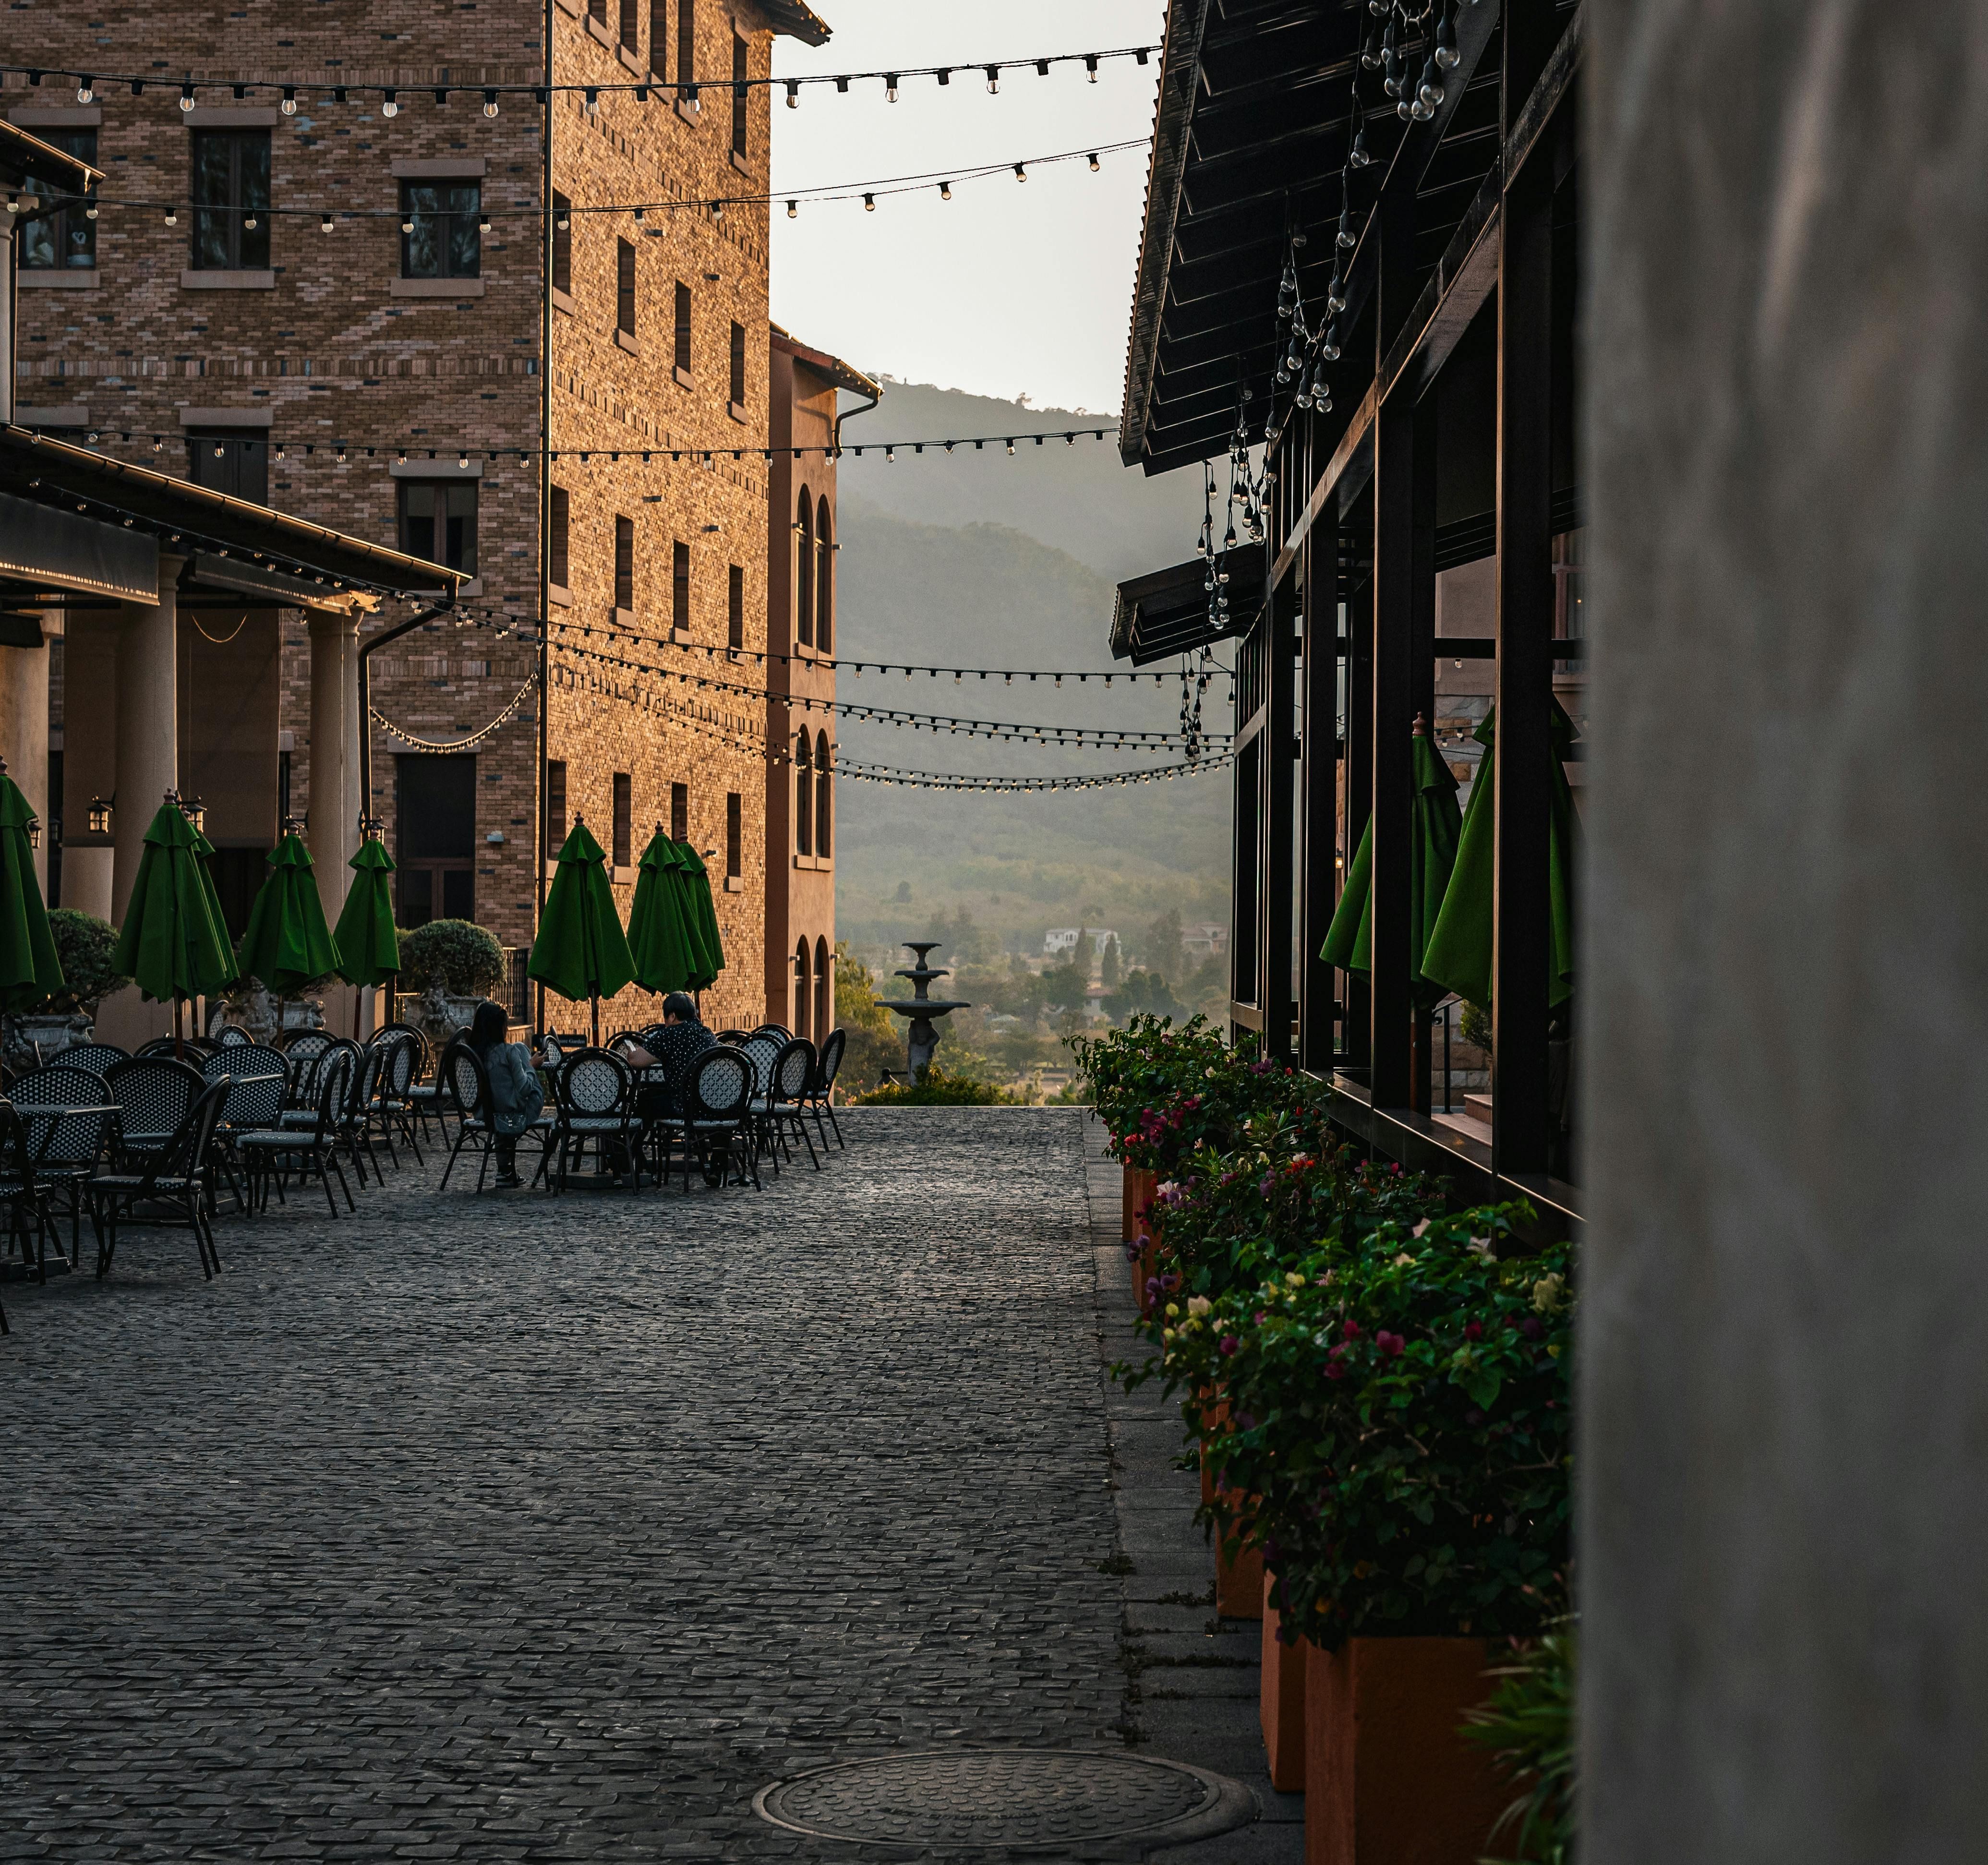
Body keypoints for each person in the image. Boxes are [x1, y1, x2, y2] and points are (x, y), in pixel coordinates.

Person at [466, 999, 542, 1188]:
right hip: (513, 1112)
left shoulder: (473, 1053)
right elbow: (525, 1089)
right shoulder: (509, 1053)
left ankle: (504, 1171)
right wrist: (531, 1067)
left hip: (483, 1112)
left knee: (519, 1047)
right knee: (520, 1048)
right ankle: (505, 1171)